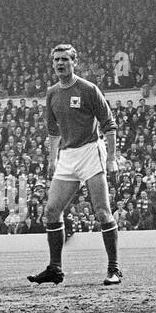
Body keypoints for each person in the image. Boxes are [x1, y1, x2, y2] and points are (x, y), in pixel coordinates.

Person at [27, 44, 121, 286]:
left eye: (65, 60)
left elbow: (109, 124)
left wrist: (111, 159)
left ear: (74, 62)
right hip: (68, 156)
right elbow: (52, 130)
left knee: (102, 212)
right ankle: (55, 269)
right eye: (56, 60)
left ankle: (114, 269)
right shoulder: (52, 93)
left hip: (91, 151)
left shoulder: (88, 89)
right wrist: (52, 158)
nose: (60, 63)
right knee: (51, 211)